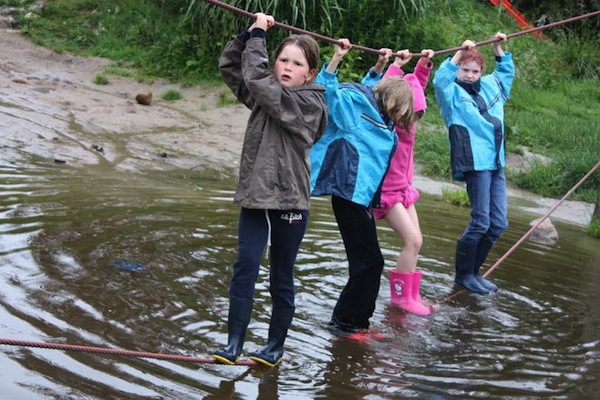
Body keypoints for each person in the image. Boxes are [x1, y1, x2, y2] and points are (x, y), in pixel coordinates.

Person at [212, 13, 328, 366]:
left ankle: (274, 348)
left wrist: (261, 37)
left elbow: (260, 82)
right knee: (245, 265)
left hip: (290, 201)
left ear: (309, 73)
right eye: (283, 60)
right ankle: (233, 343)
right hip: (255, 196)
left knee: (281, 275)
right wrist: (248, 34)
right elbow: (234, 68)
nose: (288, 67)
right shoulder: (266, 96)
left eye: (297, 63)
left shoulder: (310, 104)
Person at [310, 39, 416, 334]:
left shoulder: (378, 113)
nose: (401, 121)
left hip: (361, 198)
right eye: (401, 113)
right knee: (369, 263)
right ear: (392, 105)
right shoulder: (359, 112)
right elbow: (330, 95)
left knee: (369, 263)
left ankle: (355, 323)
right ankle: (346, 325)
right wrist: (335, 59)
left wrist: (381, 66)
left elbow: (369, 89)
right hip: (348, 193)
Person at [433, 32, 514, 294]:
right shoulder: (451, 95)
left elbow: (505, 73)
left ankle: (474, 273)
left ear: (481, 72)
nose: (470, 75)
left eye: (475, 71)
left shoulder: (492, 86)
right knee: (480, 221)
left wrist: (496, 48)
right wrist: (458, 54)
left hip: (495, 162)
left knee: (498, 223)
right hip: (473, 162)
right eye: (465, 70)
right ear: (459, 70)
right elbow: (440, 80)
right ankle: (463, 275)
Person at [373, 48, 435, 315]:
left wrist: (422, 65)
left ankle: (411, 294)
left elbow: (415, 87)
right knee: (411, 240)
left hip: (404, 189)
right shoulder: (387, 124)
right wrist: (396, 66)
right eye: (410, 115)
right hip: (387, 193)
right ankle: (400, 298)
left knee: (418, 240)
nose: (413, 121)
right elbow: (386, 90)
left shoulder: (410, 119)